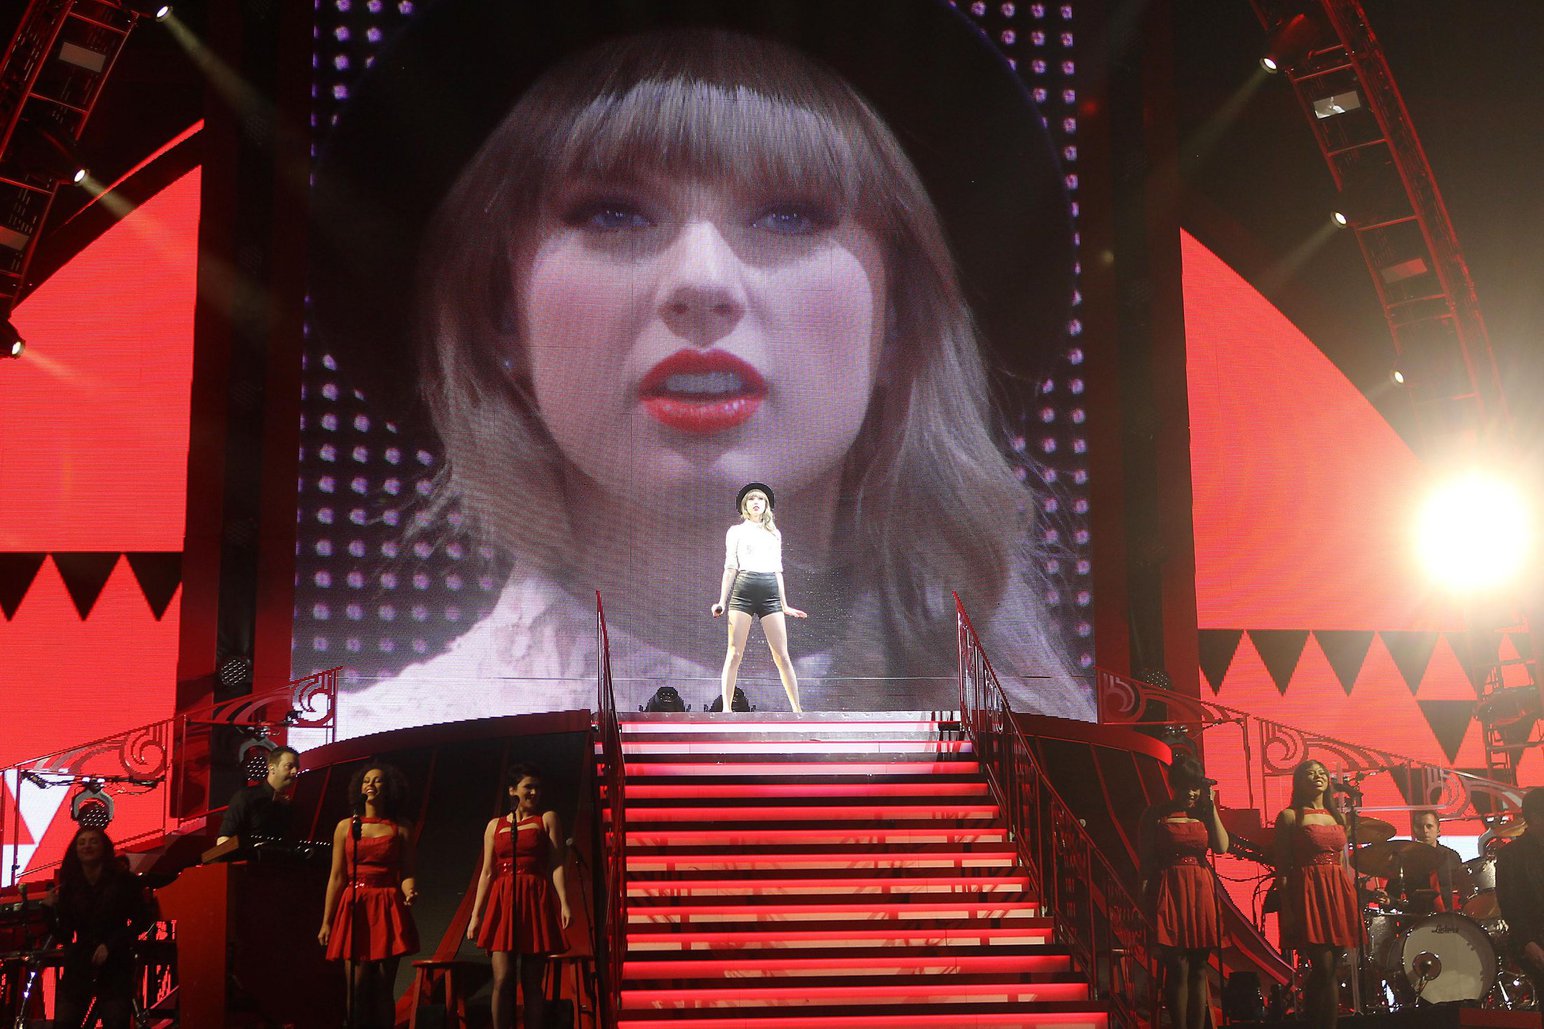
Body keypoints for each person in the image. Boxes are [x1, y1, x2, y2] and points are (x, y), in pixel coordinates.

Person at [309, 0, 1086, 735]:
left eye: (790, 213)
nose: (703, 282)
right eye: (614, 211)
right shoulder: (361, 765)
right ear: (501, 313)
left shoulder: (1053, 776)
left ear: (899, 322)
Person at [466, 763, 572, 1029]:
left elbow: (557, 864)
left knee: (532, 981)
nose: (534, 792)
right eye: (528, 787)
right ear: (513, 790)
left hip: (534, 897)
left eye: (537, 787)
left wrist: (564, 902)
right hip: (503, 900)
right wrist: (476, 916)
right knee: (502, 978)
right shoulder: (495, 825)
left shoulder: (547, 818)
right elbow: (487, 872)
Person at [318, 764, 419, 1029]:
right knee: (357, 986)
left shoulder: (401, 827)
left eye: (377, 780)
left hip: (387, 904)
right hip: (355, 906)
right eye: (366, 781)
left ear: (389, 789)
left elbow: (407, 871)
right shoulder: (345, 827)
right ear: (359, 789)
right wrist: (327, 921)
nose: (370, 784)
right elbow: (337, 877)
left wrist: (409, 890)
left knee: (384, 988)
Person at [1138, 753, 1229, 1029]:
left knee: (1199, 967)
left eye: (1196, 786)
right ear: (1174, 786)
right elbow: (1145, 861)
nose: (1191, 792)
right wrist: (1143, 903)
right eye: (1186, 786)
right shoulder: (1155, 814)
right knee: (1177, 967)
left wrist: (1211, 807)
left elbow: (1222, 847)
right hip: (1170, 888)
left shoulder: (1203, 813)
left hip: (1200, 888)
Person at [1272, 760, 1362, 1029]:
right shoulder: (1289, 816)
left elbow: (1343, 861)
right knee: (1321, 965)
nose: (1317, 777)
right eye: (1310, 774)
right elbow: (1283, 868)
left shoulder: (1338, 817)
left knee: (1332, 967)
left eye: (1321, 773)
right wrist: (1287, 909)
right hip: (1308, 892)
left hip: (1337, 890)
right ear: (1299, 782)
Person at [710, 483, 808, 712]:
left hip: (769, 591)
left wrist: (784, 605)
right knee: (734, 653)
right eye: (752, 499)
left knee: (782, 655)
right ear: (745, 505)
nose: (756, 502)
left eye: (760, 499)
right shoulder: (736, 531)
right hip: (744, 590)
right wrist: (721, 602)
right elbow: (730, 567)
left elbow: (777, 569)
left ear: (766, 505)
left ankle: (797, 709)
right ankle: (726, 708)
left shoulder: (774, 534)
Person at [50, 827, 154, 1029]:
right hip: (81, 961)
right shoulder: (70, 886)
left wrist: (112, 944)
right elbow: (64, 933)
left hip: (115, 961)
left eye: (93, 841)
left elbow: (142, 919)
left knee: (115, 1020)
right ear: (75, 850)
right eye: (82, 842)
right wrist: (49, 910)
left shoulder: (124, 881)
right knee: (65, 1021)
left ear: (104, 847)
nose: (87, 846)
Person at [1496, 787, 1544, 977]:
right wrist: (1528, 943)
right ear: (1535, 817)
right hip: (1535, 942)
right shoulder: (1511, 855)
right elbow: (1510, 905)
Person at [217, 745, 301, 845]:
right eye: (289, 766)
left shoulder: (290, 805)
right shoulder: (245, 797)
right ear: (271, 768)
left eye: (297, 768)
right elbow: (224, 838)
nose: (295, 771)